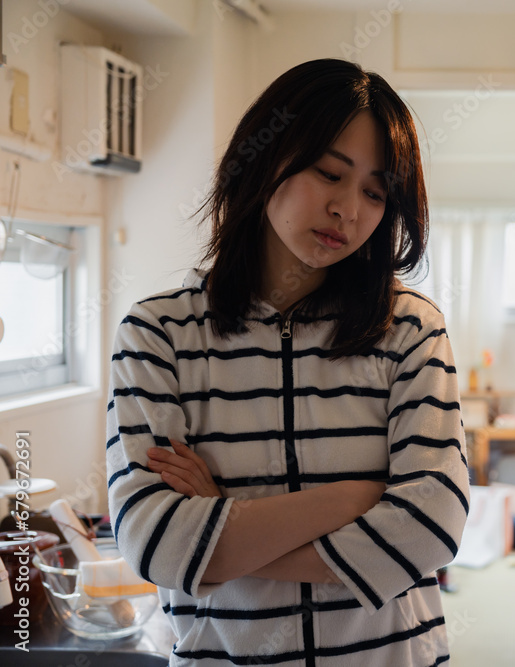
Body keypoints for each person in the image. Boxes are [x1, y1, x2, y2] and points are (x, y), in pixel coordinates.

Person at [106, 59, 470, 666]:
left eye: (375, 192)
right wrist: (358, 498)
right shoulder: (158, 334)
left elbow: (432, 525)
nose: (348, 210)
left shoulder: (409, 328)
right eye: (330, 173)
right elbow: (155, 544)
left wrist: (223, 529)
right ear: (266, 156)